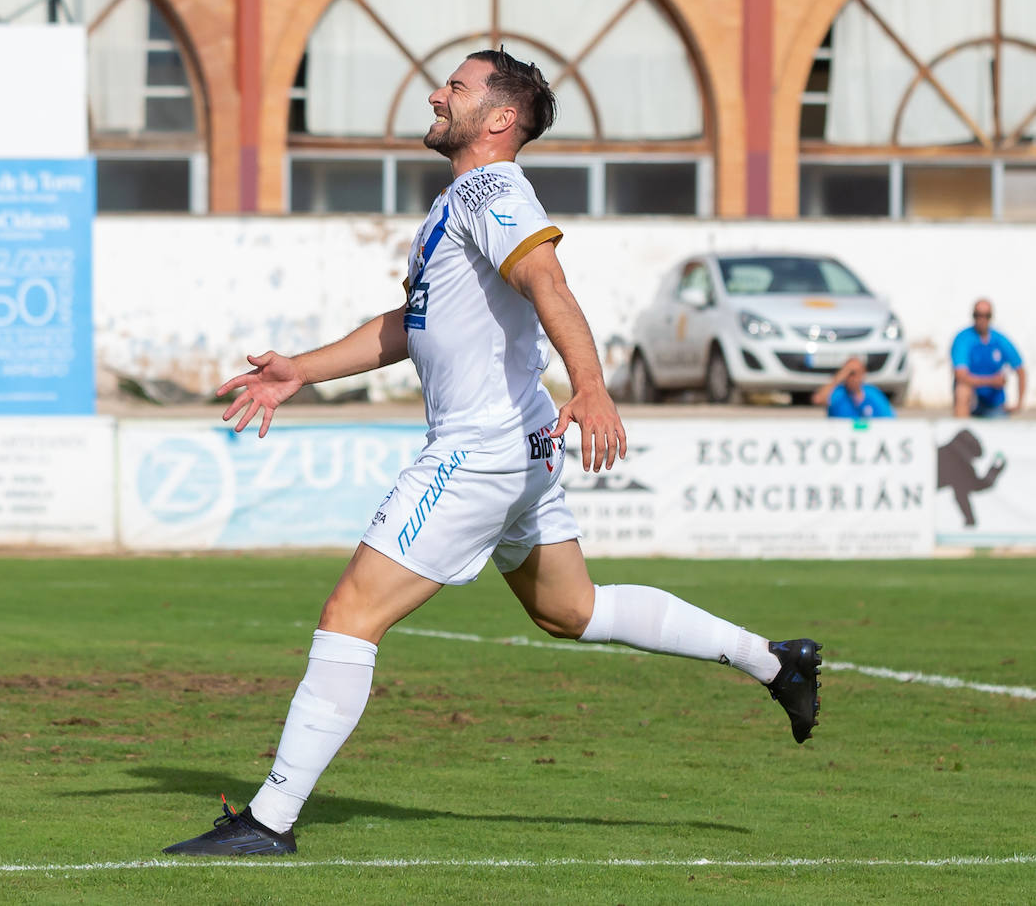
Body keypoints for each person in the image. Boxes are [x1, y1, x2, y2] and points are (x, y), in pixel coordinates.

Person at [162, 50, 821, 858]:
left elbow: (548, 280)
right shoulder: (458, 203)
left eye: (458, 88)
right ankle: (774, 661)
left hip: (480, 449)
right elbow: (412, 324)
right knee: (571, 611)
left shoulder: (491, 187)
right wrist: (305, 369)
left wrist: (593, 384)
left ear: (501, 119)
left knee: (349, 618)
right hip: (524, 442)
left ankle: (268, 822)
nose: (437, 94)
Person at [952, 299, 1024, 418]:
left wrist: (1019, 403)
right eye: (978, 315)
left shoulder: (999, 339)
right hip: (972, 402)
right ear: (973, 316)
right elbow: (961, 375)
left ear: (991, 317)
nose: (982, 319)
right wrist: (992, 381)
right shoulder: (963, 339)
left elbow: (1020, 369)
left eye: (986, 316)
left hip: (994, 403)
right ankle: (961, 428)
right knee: (962, 389)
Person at [811, 357, 894, 419]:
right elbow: (817, 399)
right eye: (849, 374)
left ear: (863, 373)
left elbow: (889, 419)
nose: (853, 378)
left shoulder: (872, 393)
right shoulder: (839, 393)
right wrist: (838, 378)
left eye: (855, 373)